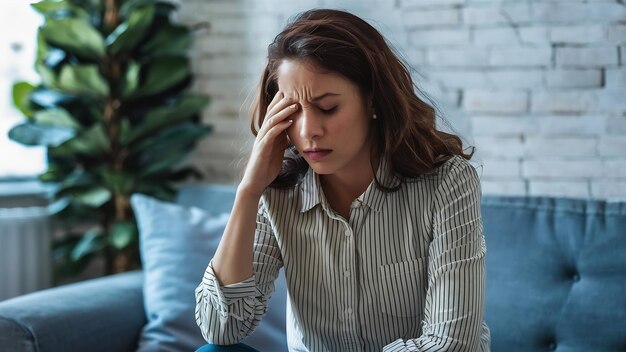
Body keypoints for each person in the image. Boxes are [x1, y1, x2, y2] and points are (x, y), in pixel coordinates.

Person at [194, 8, 490, 352]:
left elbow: (451, 344)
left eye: (328, 108)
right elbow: (221, 328)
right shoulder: (277, 194)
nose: (308, 132)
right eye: (293, 111)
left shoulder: (448, 183)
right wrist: (248, 191)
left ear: (373, 101)